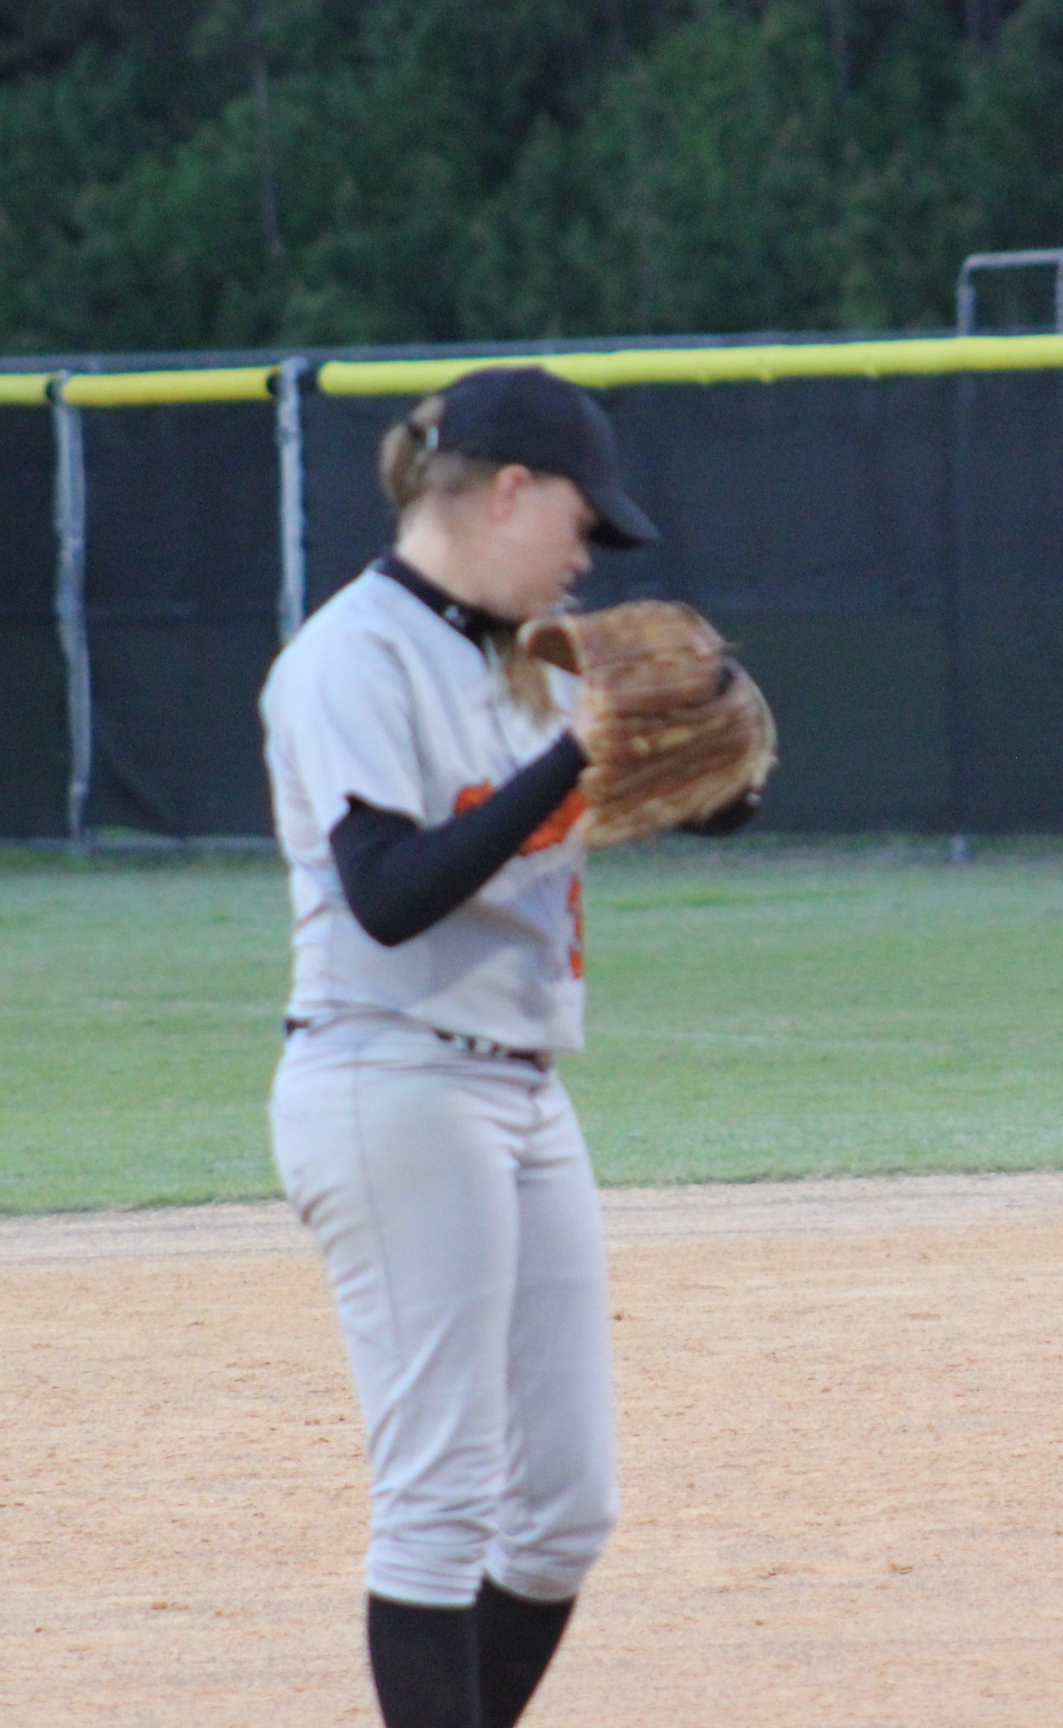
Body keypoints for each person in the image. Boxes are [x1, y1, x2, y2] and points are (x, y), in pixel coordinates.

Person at [259, 366, 754, 1728]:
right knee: (440, 1503)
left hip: (522, 1091)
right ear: (510, 492)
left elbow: (701, 803)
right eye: (582, 524)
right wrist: (574, 755)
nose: (588, 557)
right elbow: (388, 892)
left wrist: (710, 748)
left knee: (562, 1515)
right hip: (391, 1077)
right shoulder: (351, 657)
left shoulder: (530, 660)